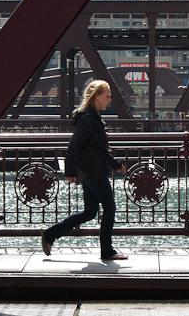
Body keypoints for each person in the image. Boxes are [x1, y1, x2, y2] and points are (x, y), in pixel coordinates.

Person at [41, 80, 128, 261]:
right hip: (93, 172)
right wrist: (69, 172)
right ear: (97, 97)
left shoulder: (91, 117)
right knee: (110, 208)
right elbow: (73, 146)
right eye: (107, 96)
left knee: (90, 212)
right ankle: (107, 251)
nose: (109, 100)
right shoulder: (89, 119)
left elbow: (98, 149)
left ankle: (50, 234)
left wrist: (115, 164)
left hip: (91, 170)